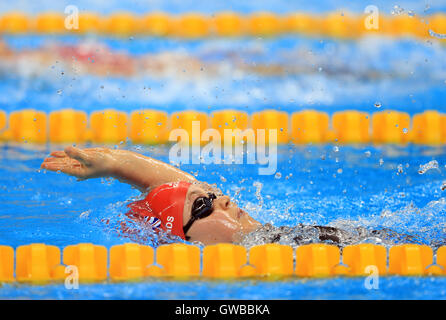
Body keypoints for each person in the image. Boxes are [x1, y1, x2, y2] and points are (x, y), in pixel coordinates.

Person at [40, 146, 416, 247]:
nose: (220, 200)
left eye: (214, 194)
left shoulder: (268, 237)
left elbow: (177, 188)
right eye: (204, 206)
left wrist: (116, 162)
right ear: (183, 239)